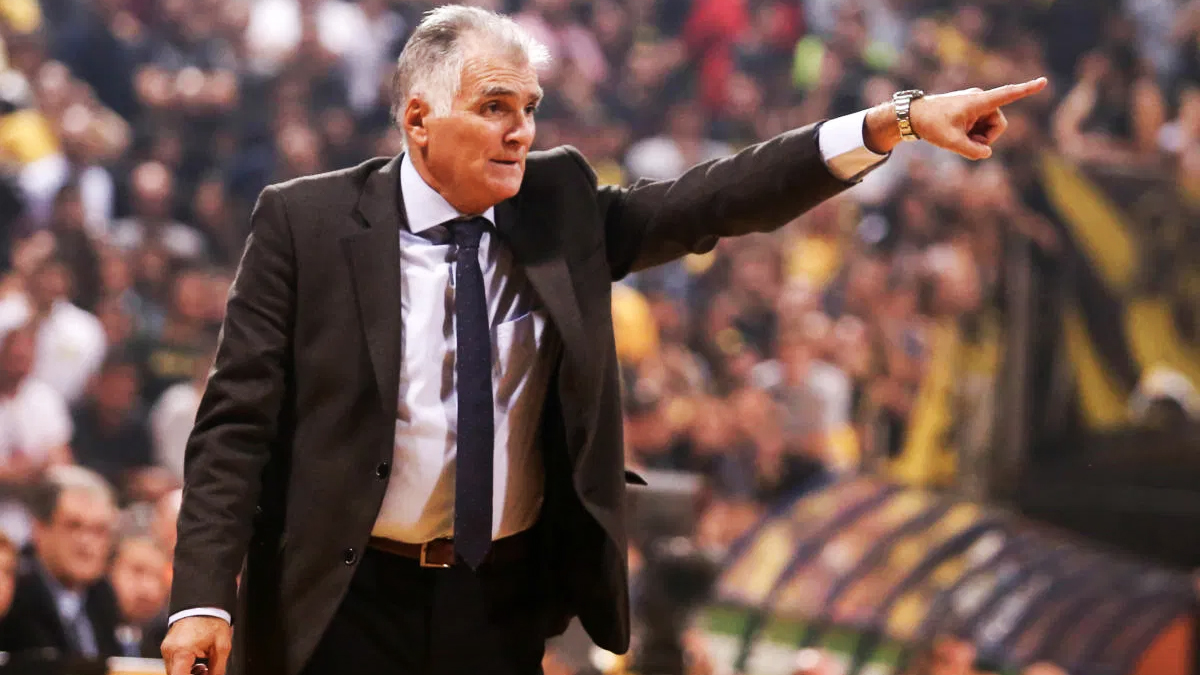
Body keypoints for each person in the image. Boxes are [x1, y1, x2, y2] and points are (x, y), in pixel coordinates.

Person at [160, 6, 1047, 675]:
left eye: (529, 107)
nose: (521, 130)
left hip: (496, 600)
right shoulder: (305, 223)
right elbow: (234, 426)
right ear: (419, 120)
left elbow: (713, 198)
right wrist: (201, 596)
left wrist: (893, 121)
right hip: (341, 597)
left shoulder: (556, 205)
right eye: (494, 106)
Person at [0, 465, 122, 660]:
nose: (86, 542)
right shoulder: (11, 593)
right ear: (39, 529)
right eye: (74, 526)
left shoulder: (104, 595)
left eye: (99, 530)